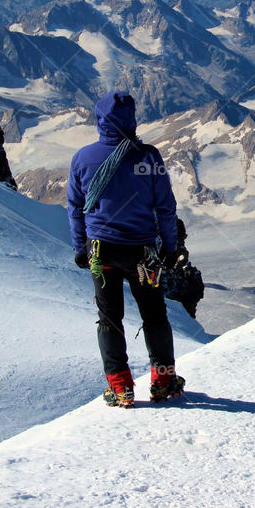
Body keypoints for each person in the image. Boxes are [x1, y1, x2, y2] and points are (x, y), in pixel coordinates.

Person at [67, 91, 186, 408]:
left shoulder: (82, 158)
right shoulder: (148, 157)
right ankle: (162, 381)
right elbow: (165, 207)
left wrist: (81, 246)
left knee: (109, 318)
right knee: (155, 316)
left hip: (101, 253)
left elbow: (75, 207)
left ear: (100, 120)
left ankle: (120, 388)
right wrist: (170, 247)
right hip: (143, 254)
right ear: (132, 119)